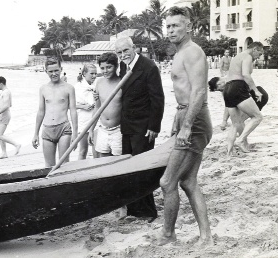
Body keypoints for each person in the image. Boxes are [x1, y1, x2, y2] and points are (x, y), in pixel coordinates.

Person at [158, 6, 213, 246]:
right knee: (188, 182)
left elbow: (200, 91)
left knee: (167, 182)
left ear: (188, 26)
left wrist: (187, 126)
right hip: (186, 115)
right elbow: (184, 92)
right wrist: (178, 120)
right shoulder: (180, 52)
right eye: (168, 26)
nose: (170, 30)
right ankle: (206, 237)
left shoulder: (192, 52)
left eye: (175, 25)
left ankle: (169, 235)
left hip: (196, 119)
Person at [115, 37, 165, 221]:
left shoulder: (148, 67)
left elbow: (158, 98)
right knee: (129, 167)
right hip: (127, 125)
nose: (122, 55)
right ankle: (134, 210)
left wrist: (154, 126)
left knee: (142, 169)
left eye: (125, 51)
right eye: (119, 53)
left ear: (134, 48)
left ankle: (148, 212)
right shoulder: (122, 67)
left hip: (144, 127)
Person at [32, 58, 78, 167]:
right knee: (49, 166)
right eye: (51, 71)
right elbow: (41, 112)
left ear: (61, 69)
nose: (54, 74)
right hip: (47, 129)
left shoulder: (69, 88)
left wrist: (75, 133)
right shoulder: (43, 89)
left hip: (64, 128)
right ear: (46, 71)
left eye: (56, 70)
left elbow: (73, 110)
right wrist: (35, 134)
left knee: (64, 163)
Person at [223, 42, 264, 155]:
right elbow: (246, 75)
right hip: (238, 87)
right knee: (257, 117)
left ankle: (229, 152)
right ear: (255, 49)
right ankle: (241, 140)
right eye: (259, 53)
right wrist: (255, 90)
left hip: (228, 88)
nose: (259, 56)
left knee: (236, 123)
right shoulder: (247, 56)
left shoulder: (238, 56)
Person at [88, 52, 122, 157]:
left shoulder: (122, 83)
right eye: (102, 68)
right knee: (103, 160)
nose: (105, 71)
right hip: (103, 129)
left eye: (109, 67)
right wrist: (91, 130)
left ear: (116, 66)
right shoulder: (99, 83)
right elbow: (97, 108)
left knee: (118, 162)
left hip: (118, 130)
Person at [0, 76, 21, 159]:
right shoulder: (5, 92)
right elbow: (10, 104)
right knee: (0, 134)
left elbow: (7, 105)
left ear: (1, 83)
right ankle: (4, 153)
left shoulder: (6, 92)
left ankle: (16, 144)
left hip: (4, 115)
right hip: (3, 114)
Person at [75, 64, 98, 160]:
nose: (94, 76)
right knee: (83, 150)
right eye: (91, 73)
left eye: (95, 73)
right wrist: (83, 106)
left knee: (96, 149)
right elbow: (70, 105)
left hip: (96, 120)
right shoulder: (77, 87)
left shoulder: (97, 85)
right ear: (84, 73)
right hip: (83, 119)